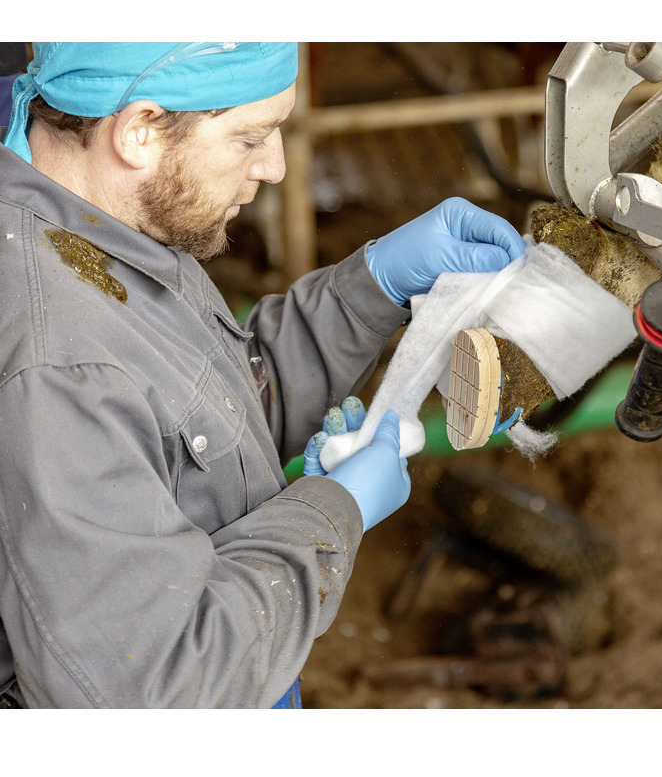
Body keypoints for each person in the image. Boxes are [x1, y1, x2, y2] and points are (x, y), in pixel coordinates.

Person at [0, 43, 526, 708]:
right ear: (139, 130)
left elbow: (189, 415)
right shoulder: (58, 364)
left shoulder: (104, 227)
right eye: (250, 138)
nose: (275, 167)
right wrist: (332, 512)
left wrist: (370, 289)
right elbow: (157, 687)